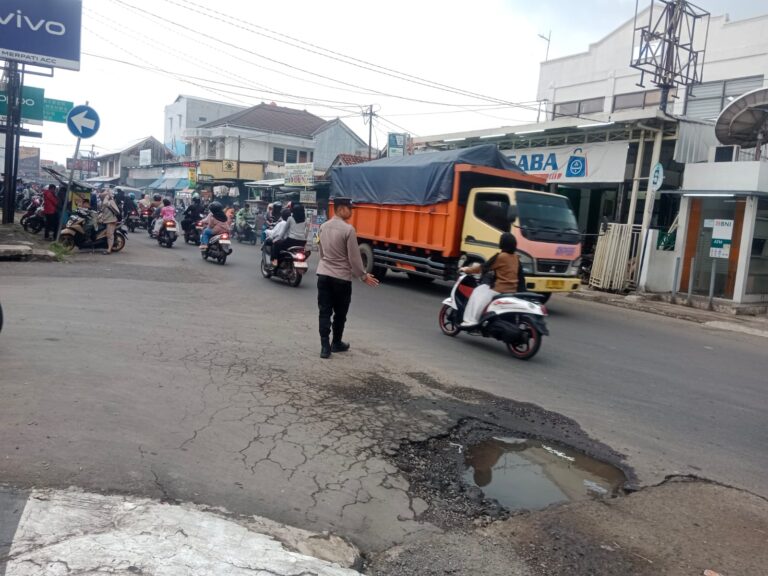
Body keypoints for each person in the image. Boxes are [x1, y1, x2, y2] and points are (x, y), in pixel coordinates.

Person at [316, 197, 379, 359]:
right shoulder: (348, 230)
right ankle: (336, 343)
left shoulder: (323, 227)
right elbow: (354, 258)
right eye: (349, 209)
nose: (351, 212)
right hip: (341, 278)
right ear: (341, 209)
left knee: (324, 311)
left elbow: (321, 252)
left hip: (323, 274)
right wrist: (363, 276)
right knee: (340, 313)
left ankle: (324, 347)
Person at [459, 232, 525, 327]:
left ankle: (471, 321)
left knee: (478, 292)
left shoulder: (500, 256)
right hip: (513, 290)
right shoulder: (516, 258)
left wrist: (466, 269)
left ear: (502, 243)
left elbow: (482, 268)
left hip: (499, 289)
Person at [98, 188, 121, 254]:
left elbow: (105, 203)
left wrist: (108, 195)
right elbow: (102, 210)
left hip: (111, 220)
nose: (101, 197)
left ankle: (109, 250)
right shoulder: (104, 201)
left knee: (109, 235)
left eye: (103, 196)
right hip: (106, 219)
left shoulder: (110, 201)